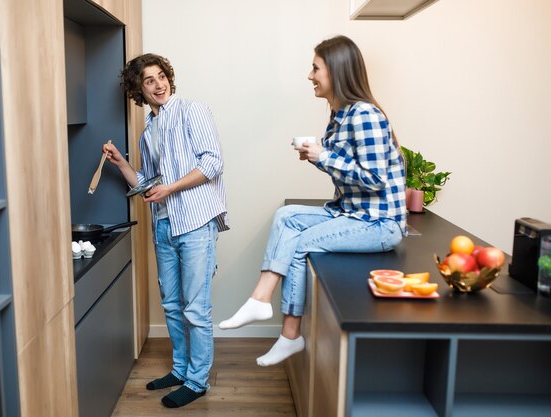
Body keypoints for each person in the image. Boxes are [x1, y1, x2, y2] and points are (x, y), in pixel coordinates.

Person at [219, 35, 406, 366]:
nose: (310, 75)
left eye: (315, 67)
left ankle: (290, 335)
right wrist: (317, 155)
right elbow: (348, 165)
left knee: (301, 241)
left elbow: (375, 179)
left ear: (336, 71)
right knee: (287, 215)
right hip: (352, 214)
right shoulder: (341, 114)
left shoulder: (364, 114)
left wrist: (324, 156)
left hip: (379, 224)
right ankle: (260, 299)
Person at [103, 53, 228, 408]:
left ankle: (198, 380)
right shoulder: (149, 132)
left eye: (162, 77)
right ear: (139, 90)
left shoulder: (192, 109)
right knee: (172, 305)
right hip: (164, 223)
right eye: (149, 81)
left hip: (196, 222)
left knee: (195, 308)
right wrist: (122, 163)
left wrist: (170, 188)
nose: (159, 84)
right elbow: (148, 183)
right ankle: (181, 369)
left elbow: (213, 162)